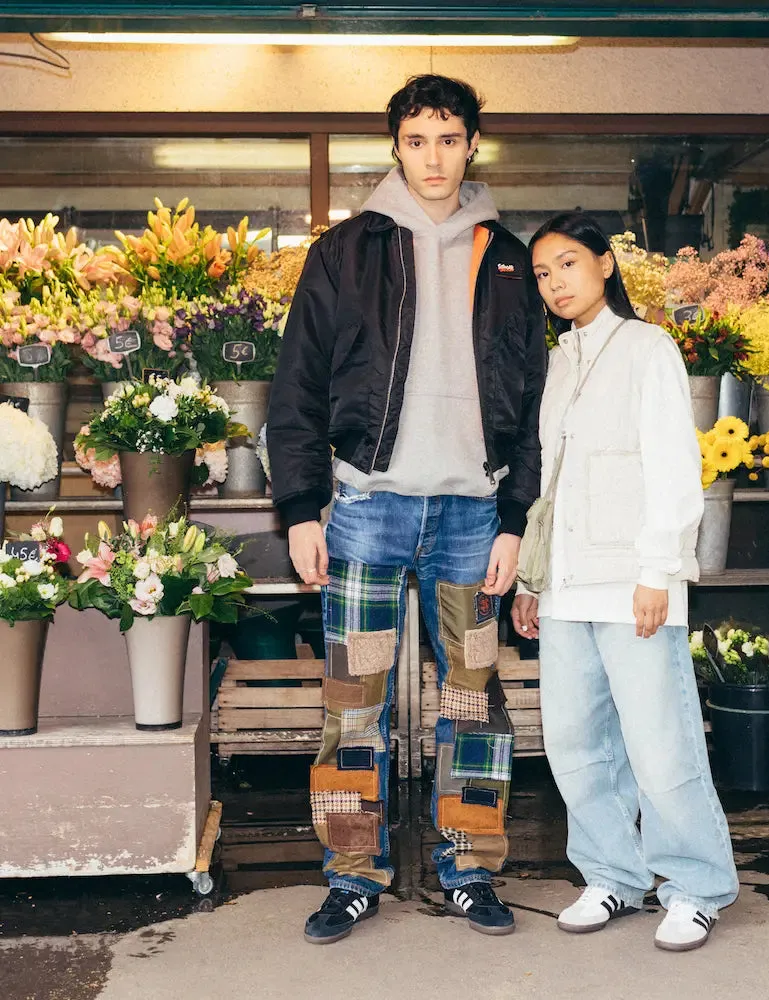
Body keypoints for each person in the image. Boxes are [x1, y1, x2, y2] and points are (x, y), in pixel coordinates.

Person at [268, 74, 547, 944]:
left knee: (472, 704)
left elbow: (536, 402)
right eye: (418, 139)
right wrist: (302, 506)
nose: (434, 155)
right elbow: (297, 388)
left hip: (471, 517)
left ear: (473, 146)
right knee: (355, 705)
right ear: (396, 146)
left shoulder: (508, 257)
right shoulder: (344, 251)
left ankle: (468, 870)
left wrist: (516, 520)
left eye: (450, 138)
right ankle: (352, 873)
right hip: (366, 511)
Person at [511, 213, 738, 952]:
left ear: (606, 265)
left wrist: (657, 572)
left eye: (568, 264)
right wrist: (532, 583)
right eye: (543, 274)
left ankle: (696, 888)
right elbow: (547, 483)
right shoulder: (557, 363)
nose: (555, 283)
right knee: (574, 744)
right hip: (567, 586)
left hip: (635, 582)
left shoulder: (647, 348)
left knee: (661, 744)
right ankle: (611, 875)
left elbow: (676, 467)